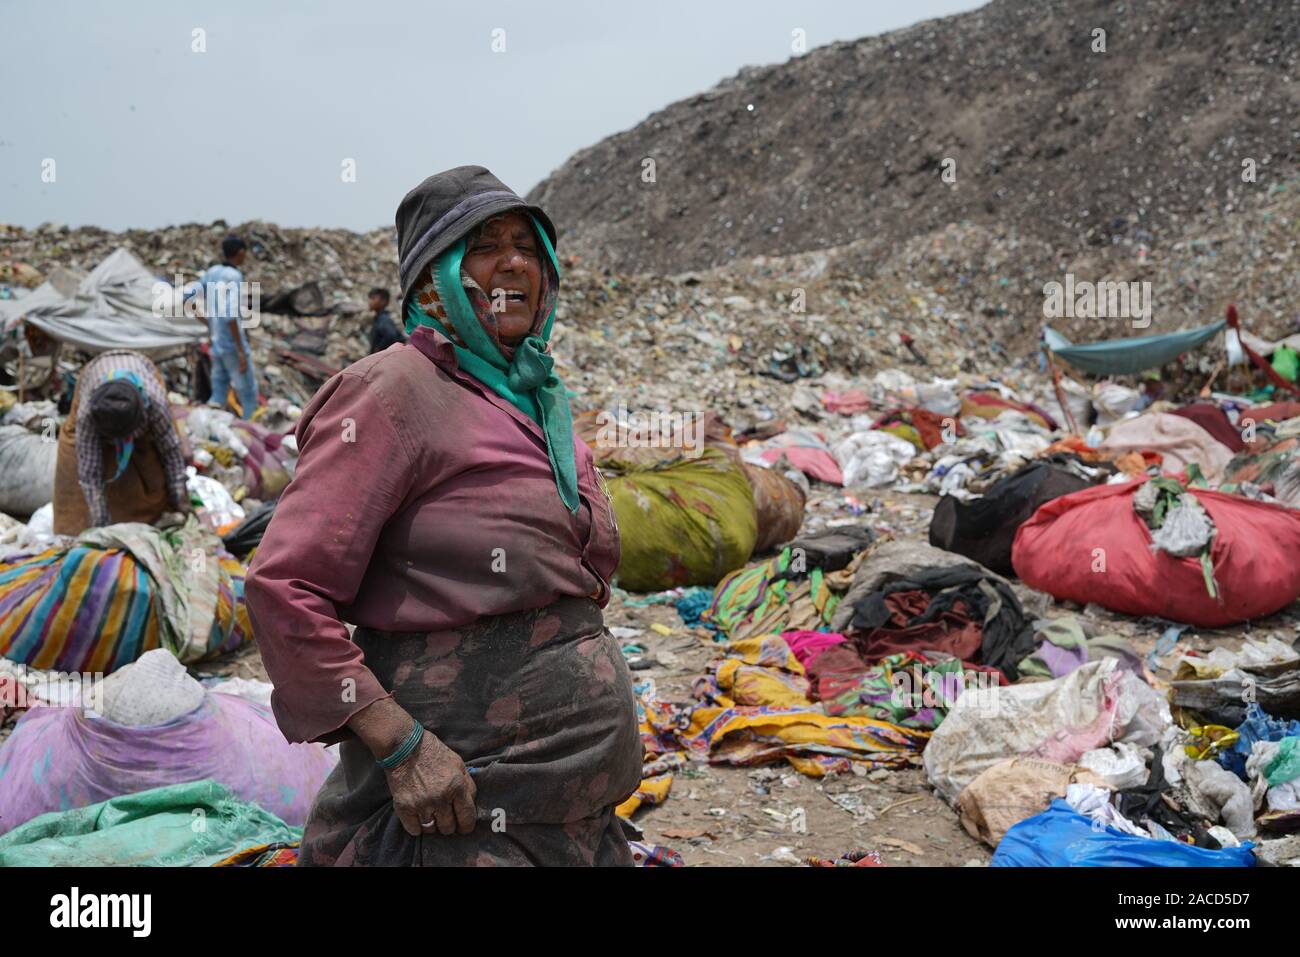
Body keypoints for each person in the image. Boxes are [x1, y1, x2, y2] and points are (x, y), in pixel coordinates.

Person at [245, 166, 640, 866]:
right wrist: (402, 746)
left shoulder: (537, 396)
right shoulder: (393, 390)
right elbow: (285, 586)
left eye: (529, 244)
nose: (515, 260)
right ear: (435, 280)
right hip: (457, 810)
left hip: (571, 811)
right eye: (485, 245)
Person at [52, 349, 190, 536]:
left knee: (150, 468)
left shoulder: (154, 401)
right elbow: (90, 473)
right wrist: (100, 526)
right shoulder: (87, 413)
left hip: (141, 371)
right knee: (73, 474)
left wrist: (181, 500)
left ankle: (153, 517)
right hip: (94, 375)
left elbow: (170, 450)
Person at [200, 235, 259, 419]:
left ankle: (208, 424)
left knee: (218, 392)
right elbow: (231, 316)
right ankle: (250, 429)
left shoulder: (213, 272)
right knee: (248, 393)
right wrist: (241, 351)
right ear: (240, 253)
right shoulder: (234, 276)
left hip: (216, 343)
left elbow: (190, 301)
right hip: (231, 345)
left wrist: (210, 326)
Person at [367, 287, 404, 354]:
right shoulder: (379, 318)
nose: (370, 301)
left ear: (383, 301)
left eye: (373, 298)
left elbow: (391, 335)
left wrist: (378, 351)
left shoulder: (384, 319)